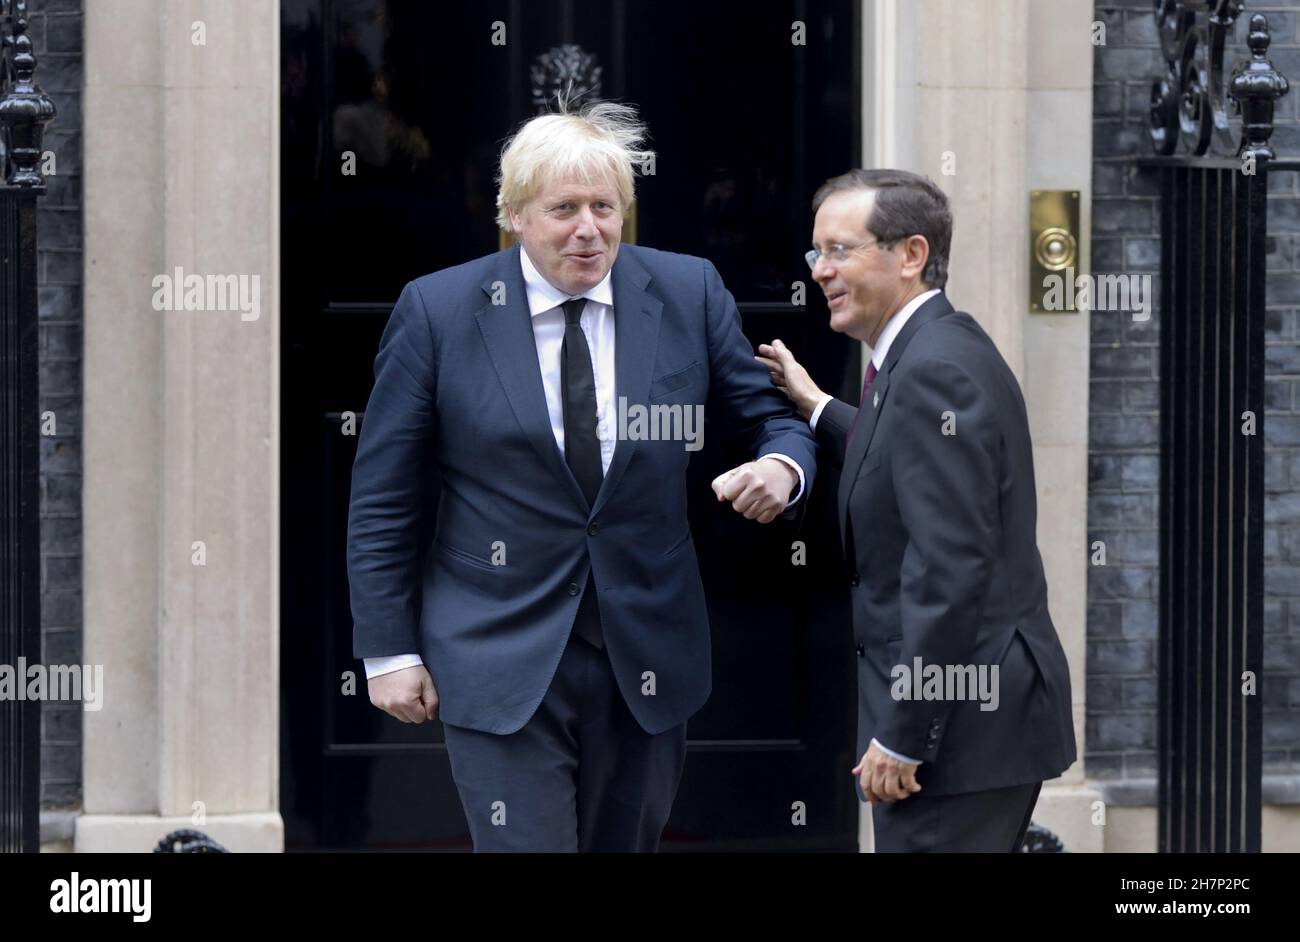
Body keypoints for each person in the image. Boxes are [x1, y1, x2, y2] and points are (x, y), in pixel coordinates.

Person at [346, 100, 817, 852]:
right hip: (495, 649)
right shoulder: (437, 311)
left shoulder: (688, 292)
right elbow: (383, 496)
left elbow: (774, 417)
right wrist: (389, 651)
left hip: (647, 651)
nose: (589, 229)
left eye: (605, 207)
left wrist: (782, 465)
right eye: (564, 209)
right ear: (514, 214)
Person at [758, 169, 1075, 852]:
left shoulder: (932, 370)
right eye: (816, 253)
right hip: (973, 724)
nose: (819, 271)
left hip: (958, 736)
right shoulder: (929, 353)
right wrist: (817, 406)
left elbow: (950, 567)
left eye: (841, 250)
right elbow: (899, 456)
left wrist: (904, 736)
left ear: (911, 255)